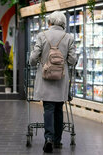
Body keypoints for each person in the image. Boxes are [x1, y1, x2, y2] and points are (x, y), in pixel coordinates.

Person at [29, 11, 77, 153]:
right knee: (58, 108)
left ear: (50, 22)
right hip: (61, 79)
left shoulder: (42, 36)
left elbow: (33, 59)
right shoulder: (68, 37)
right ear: (63, 23)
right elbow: (73, 60)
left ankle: (48, 138)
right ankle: (57, 140)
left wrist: (40, 61)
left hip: (45, 79)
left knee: (48, 108)